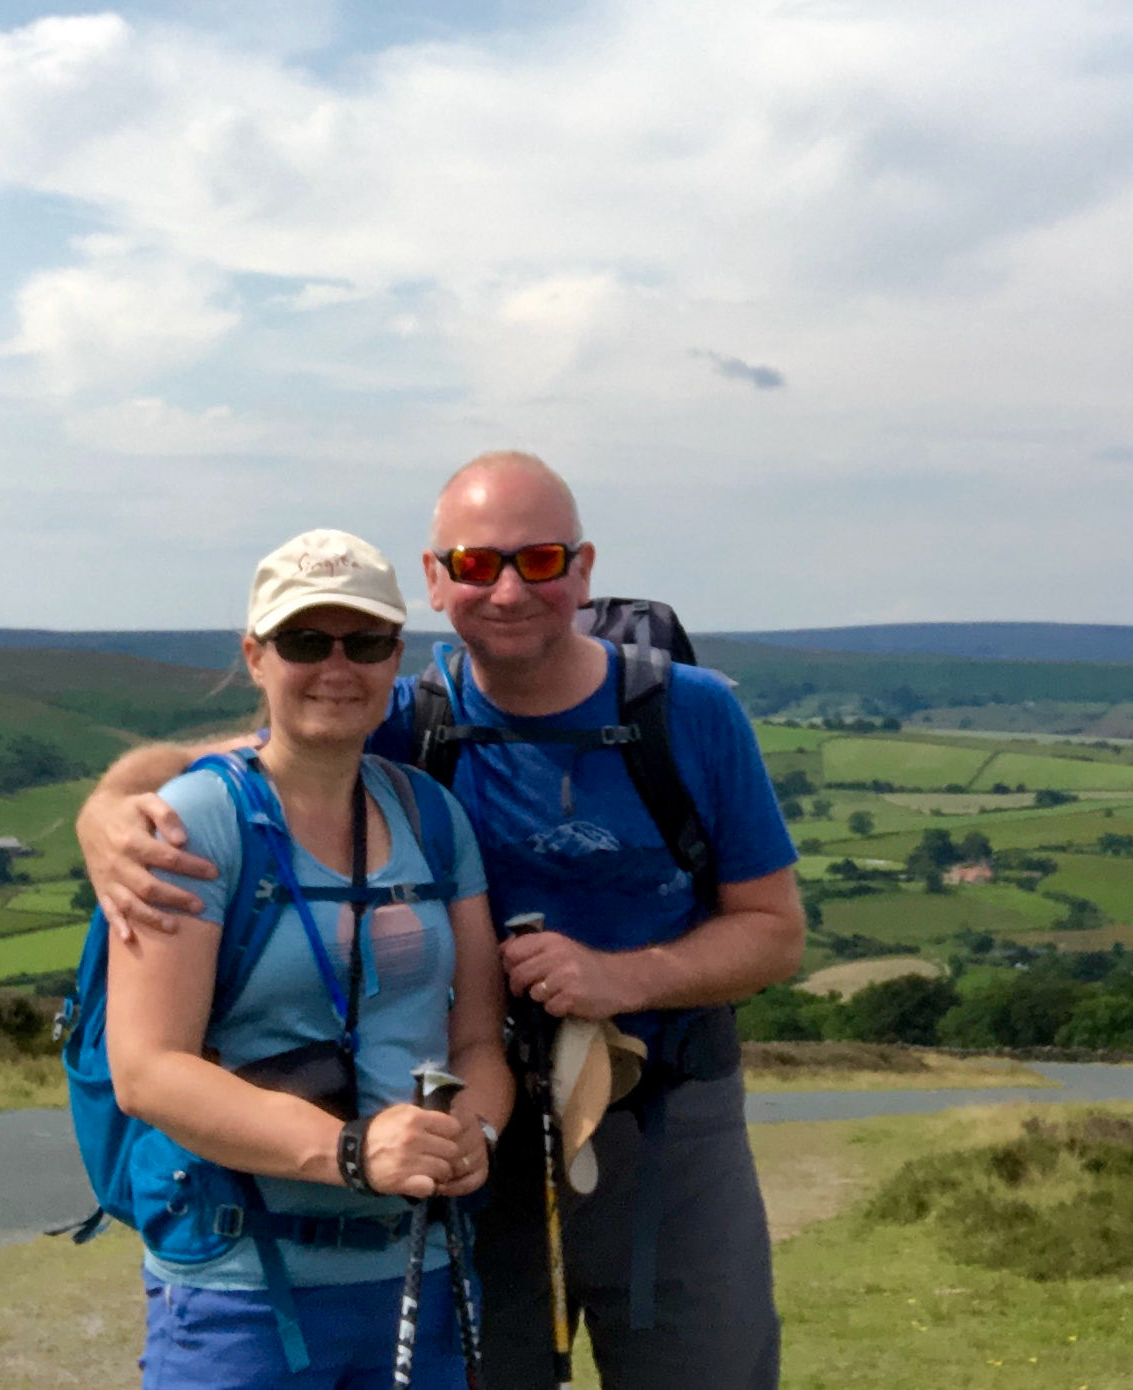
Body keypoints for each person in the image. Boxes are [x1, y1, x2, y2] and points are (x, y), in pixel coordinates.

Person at [80, 457, 805, 1390]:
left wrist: (624, 978)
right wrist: (108, 809)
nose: (507, 590)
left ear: (582, 571)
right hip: (468, 1135)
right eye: (475, 564)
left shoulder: (691, 715)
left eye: (539, 560)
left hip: (660, 1115)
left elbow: (775, 932)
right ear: (435, 582)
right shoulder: (401, 718)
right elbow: (228, 759)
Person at [101, 528, 512, 1389]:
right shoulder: (197, 823)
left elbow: (477, 1040)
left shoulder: (434, 820)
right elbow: (147, 1069)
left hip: (421, 1274)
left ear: (394, 656)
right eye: (303, 641)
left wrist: (474, 1133)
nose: (337, 666)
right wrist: (353, 1152)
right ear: (255, 656)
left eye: (363, 643)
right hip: (241, 1296)